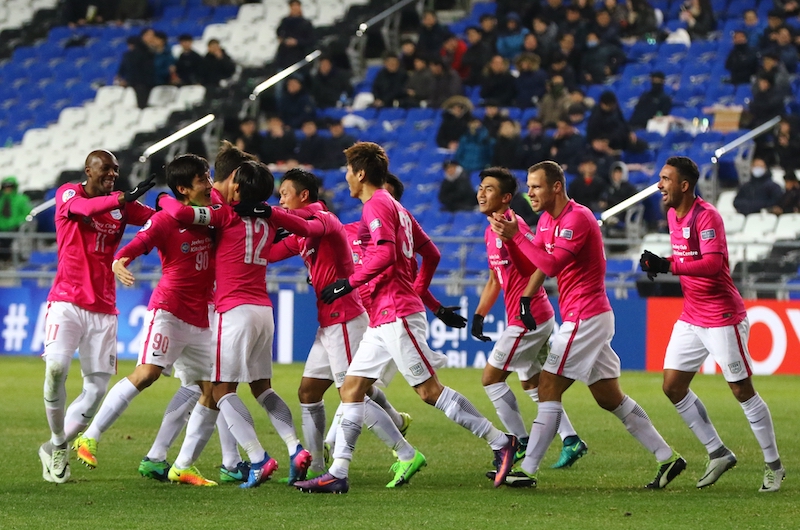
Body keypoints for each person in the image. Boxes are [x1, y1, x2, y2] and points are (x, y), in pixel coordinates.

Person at [293, 142, 519, 493]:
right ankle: (339, 473)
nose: (347, 179)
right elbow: (431, 253)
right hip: (384, 316)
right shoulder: (395, 207)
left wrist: (348, 284)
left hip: (396, 312)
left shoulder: (377, 205)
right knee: (352, 389)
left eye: (349, 172)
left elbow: (384, 253)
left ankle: (500, 442)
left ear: (362, 173)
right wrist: (418, 289)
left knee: (429, 392)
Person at [489, 160, 684, 489]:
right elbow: (537, 260)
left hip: (586, 317)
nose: (530, 193)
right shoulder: (548, 221)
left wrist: (517, 236)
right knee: (610, 398)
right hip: (584, 316)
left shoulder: (576, 218)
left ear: (556, 187)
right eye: (529, 186)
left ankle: (528, 470)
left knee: (547, 387)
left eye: (536, 186)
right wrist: (525, 289)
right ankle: (667, 457)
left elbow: (550, 264)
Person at [244, 169, 422, 485]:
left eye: (285, 193)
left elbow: (304, 225)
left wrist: (271, 214)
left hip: (346, 319)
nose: (281, 199)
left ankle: (406, 453)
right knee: (308, 392)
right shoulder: (301, 233)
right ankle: (315, 467)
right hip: (328, 324)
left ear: (304, 196)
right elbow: (269, 255)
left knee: (352, 395)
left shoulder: (323, 219)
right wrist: (268, 226)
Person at [157, 156, 311, 488]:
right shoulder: (271, 220)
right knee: (262, 388)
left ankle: (257, 457)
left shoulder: (224, 215)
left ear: (237, 187)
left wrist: (161, 197)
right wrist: (272, 212)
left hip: (234, 312)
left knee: (222, 389)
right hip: (263, 312)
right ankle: (294, 448)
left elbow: (181, 213)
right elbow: (308, 228)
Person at [640, 156, 785, 492]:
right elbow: (687, 261)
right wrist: (661, 264)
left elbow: (711, 265)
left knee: (741, 390)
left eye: (665, 179)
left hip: (722, 315)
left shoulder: (707, 216)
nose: (660, 185)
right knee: (672, 386)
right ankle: (718, 452)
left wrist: (669, 266)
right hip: (692, 314)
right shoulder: (672, 215)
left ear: (684, 185)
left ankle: (774, 466)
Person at [72, 155, 216, 482]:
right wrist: (119, 262)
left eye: (208, 177)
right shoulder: (165, 221)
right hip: (168, 311)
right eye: (201, 180)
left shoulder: (209, 216)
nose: (208, 184)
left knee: (211, 390)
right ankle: (89, 435)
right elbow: (135, 245)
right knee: (148, 373)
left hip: (202, 317)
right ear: (183, 188)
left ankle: (171, 462)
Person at [38, 150, 156, 483]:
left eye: (116, 170)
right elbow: (84, 209)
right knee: (57, 368)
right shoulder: (69, 193)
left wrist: (168, 200)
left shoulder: (121, 206)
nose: (112, 174)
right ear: (88, 170)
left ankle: (49, 448)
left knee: (96, 390)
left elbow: (156, 218)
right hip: (67, 301)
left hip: (104, 308)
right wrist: (121, 198)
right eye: (106, 168)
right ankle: (61, 444)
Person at [474, 167, 588, 477]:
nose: (481, 193)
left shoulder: (515, 226)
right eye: (481, 188)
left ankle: (520, 443)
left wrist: (525, 301)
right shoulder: (492, 230)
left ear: (506, 198)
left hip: (530, 317)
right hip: (527, 316)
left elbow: (538, 264)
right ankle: (571, 438)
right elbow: (496, 278)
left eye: (489, 189)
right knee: (532, 382)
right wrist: (480, 314)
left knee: (491, 378)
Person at [275, 0, 315, 70]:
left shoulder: (306, 23)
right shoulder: (285, 21)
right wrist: (284, 40)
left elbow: (311, 40)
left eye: (296, 6)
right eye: (293, 7)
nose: (295, 9)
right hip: (284, 57)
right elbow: (279, 33)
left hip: (300, 57)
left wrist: (297, 42)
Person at [0, 176, 31, 261]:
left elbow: (27, 213)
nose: (7, 189)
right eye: (5, 187)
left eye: (10, 187)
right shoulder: (1, 200)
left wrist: (16, 222)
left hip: (15, 228)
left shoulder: (21, 199)